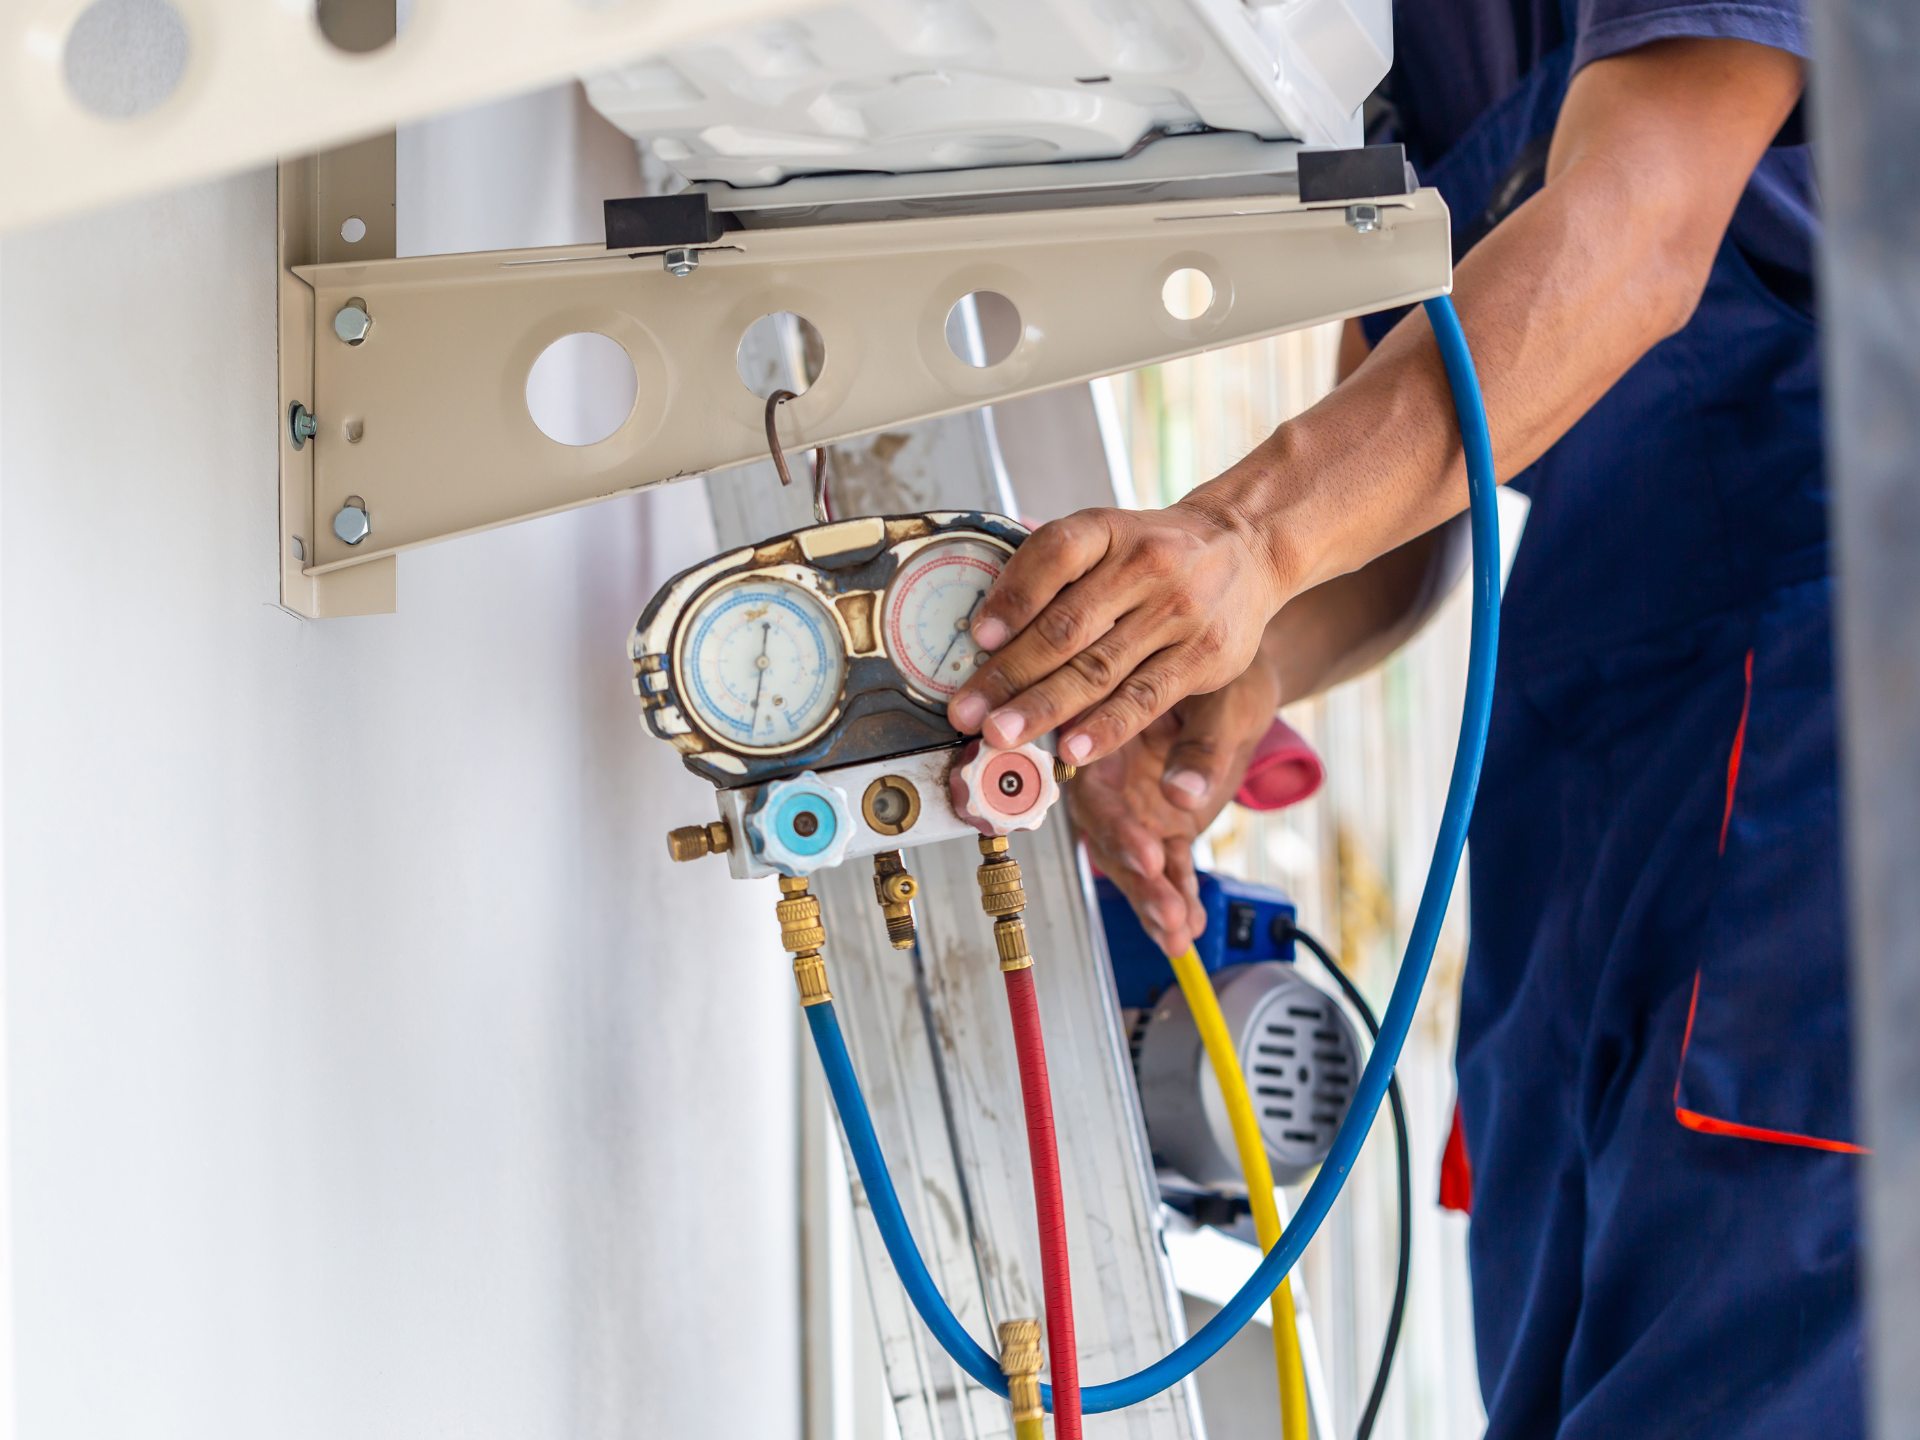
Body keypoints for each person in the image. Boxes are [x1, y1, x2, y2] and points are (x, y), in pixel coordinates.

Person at [943, 3, 1857, 1434]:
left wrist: (1243, 540)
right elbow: (1399, 499)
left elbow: (1639, 227)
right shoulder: (1408, 49)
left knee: (1771, 1344)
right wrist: (1219, 671)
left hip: (1837, 713)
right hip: (1595, 744)